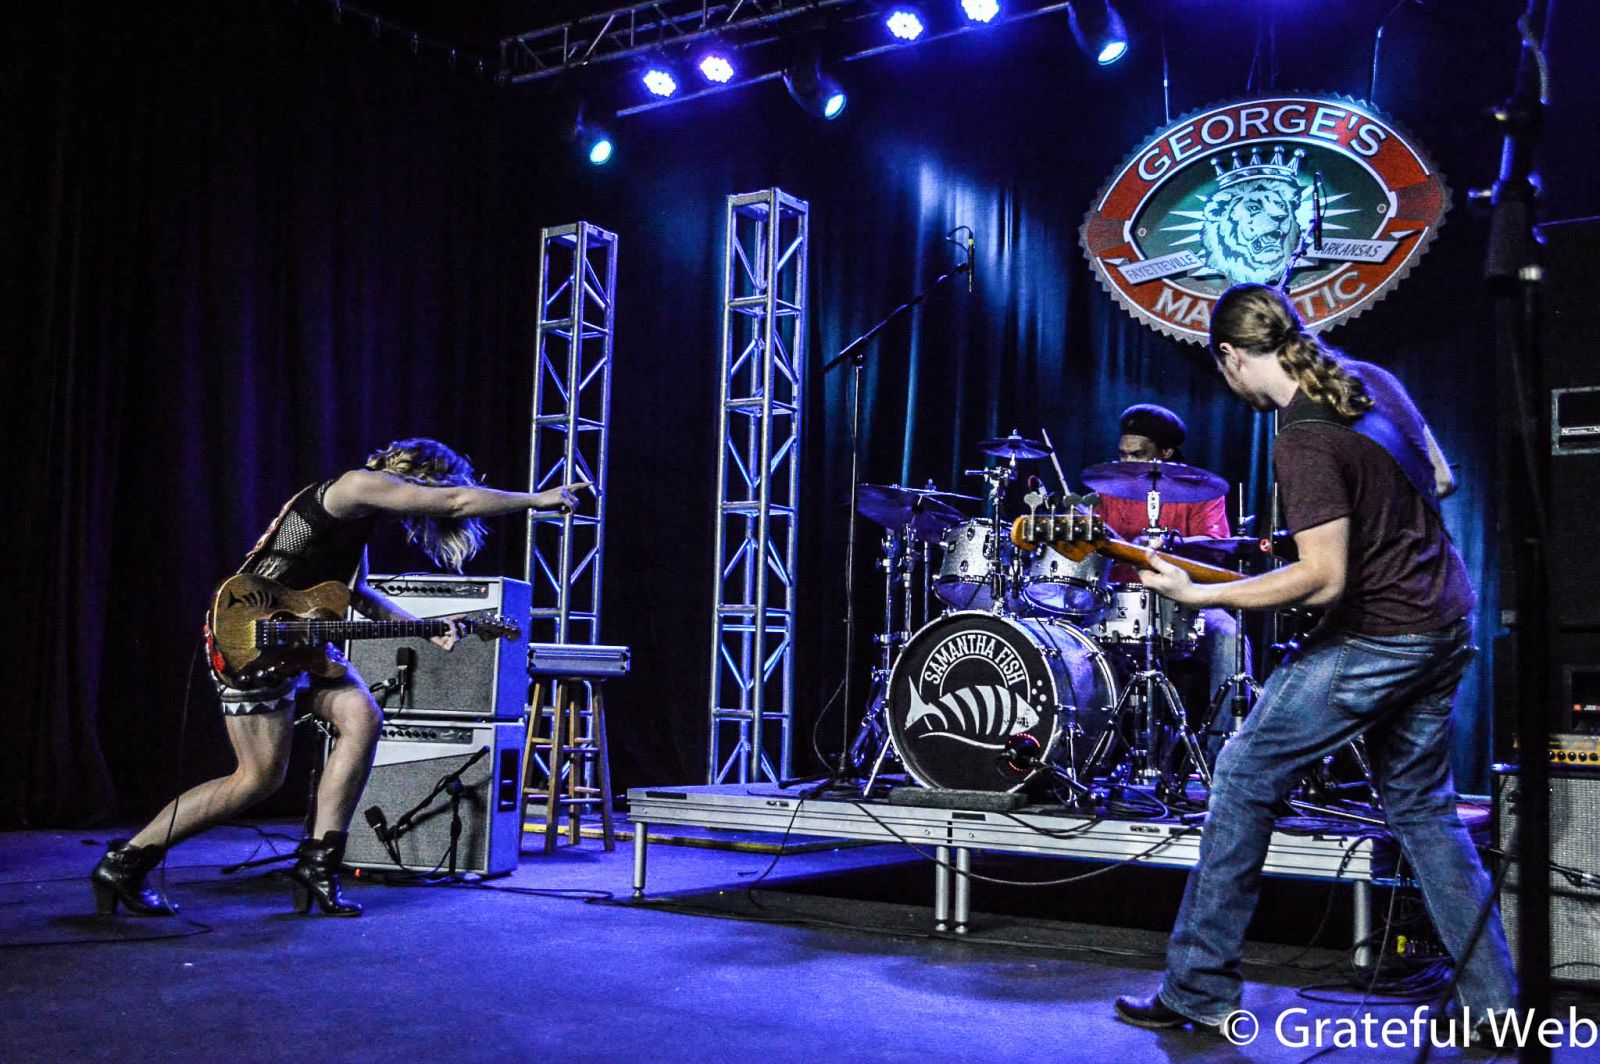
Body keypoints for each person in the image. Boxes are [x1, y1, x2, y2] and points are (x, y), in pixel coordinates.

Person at [1113, 284, 1514, 1037]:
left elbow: (1324, 578)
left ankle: (1197, 990)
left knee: (1242, 775)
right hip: (1445, 619)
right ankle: (1495, 1007)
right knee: (1424, 811)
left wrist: (1200, 594)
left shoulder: (1301, 438)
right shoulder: (1370, 379)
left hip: (1382, 636)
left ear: (1230, 356)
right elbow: (1442, 474)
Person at [91, 438, 582, 918]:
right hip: (249, 636)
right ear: (422, 478)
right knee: (256, 780)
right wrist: (537, 499)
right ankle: (126, 862)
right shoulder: (355, 485)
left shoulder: (359, 514)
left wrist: (424, 629)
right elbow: (455, 502)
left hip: (297, 638)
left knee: (362, 718)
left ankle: (318, 864)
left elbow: (358, 595)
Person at [1095, 404, 1246, 741]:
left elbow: (1216, 549)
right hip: (1117, 603)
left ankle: (1224, 754)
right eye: (1123, 455)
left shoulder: (1200, 491)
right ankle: (1090, 747)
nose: (1127, 463)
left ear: (1166, 453)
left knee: (1231, 636)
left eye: (1138, 455)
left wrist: (1170, 544)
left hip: (1186, 604)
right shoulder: (1107, 489)